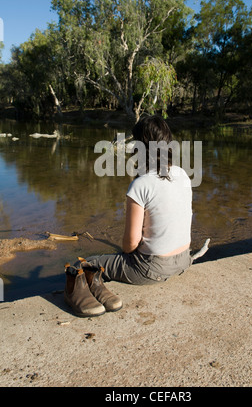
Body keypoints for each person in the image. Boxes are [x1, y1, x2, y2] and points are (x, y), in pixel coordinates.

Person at [63, 115, 210, 317]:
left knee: (86, 263)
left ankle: (78, 294)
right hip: (183, 260)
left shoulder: (141, 185)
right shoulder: (183, 174)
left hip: (153, 270)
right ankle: (98, 290)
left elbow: (129, 246)